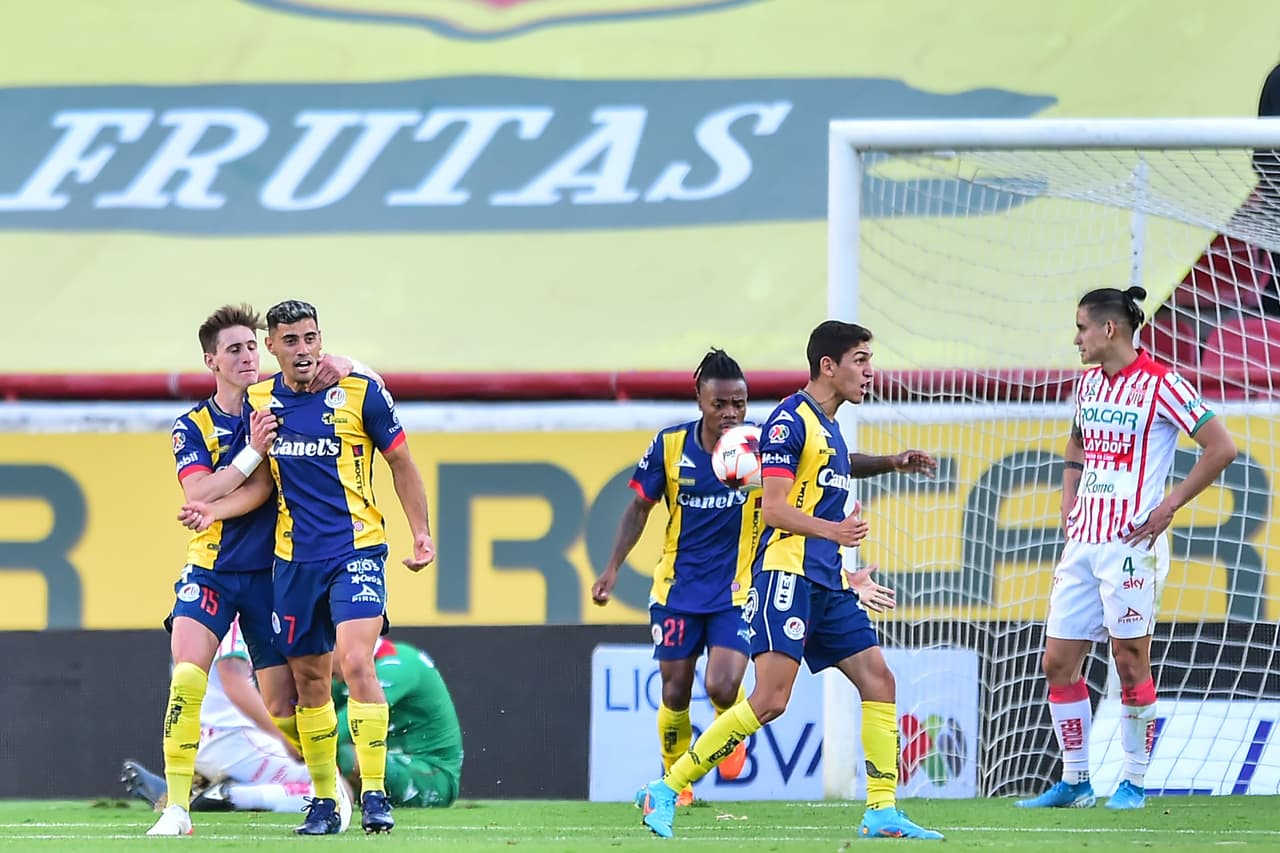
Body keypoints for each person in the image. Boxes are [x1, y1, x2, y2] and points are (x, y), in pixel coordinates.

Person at [635, 320, 944, 841]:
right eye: (861, 360)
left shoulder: (828, 427)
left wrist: (892, 464)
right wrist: (838, 532)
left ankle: (882, 810)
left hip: (825, 579)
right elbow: (775, 510)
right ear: (829, 365)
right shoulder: (787, 421)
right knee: (771, 699)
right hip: (787, 575)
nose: (869, 372)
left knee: (879, 681)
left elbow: (837, 469)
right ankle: (665, 788)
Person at [186, 299, 435, 835]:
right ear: (271, 348)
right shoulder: (258, 401)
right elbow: (255, 485)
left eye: (311, 338)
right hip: (292, 562)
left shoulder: (360, 390)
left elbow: (401, 461)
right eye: (290, 341)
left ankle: (374, 794)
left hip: (357, 552)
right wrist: (211, 508)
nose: (303, 351)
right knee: (307, 682)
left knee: (355, 661)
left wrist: (420, 530)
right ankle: (324, 800)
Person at [1015, 286, 1237, 811]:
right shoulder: (1089, 385)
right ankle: (1076, 781)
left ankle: (1134, 782)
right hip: (1083, 542)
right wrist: (1070, 499)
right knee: (1057, 662)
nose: (1076, 339)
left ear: (1108, 329)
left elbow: (1220, 446)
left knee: (1129, 659)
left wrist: (1171, 505)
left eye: (1081, 328)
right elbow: (1076, 443)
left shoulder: (1165, 385)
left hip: (1132, 544)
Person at [147, 304, 364, 837]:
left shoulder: (280, 403)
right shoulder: (192, 424)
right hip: (212, 569)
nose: (247, 357)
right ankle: (178, 808)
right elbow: (198, 488)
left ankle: (328, 787)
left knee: (282, 703)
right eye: (234, 350)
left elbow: (261, 488)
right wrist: (243, 461)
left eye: (251, 347)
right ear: (211, 361)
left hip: (272, 574)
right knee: (186, 677)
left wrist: (345, 360)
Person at [122, 619, 354, 830]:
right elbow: (235, 682)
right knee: (337, 789)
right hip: (232, 738)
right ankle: (227, 794)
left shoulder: (204, 611)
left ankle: (195, 789)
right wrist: (285, 738)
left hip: (204, 737)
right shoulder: (233, 613)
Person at [333, 637, 464, 808]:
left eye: (322, 651)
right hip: (387, 765)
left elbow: (334, 732)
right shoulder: (344, 675)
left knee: (335, 753)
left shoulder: (398, 666)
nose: (318, 661)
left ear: (342, 647)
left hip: (432, 776)